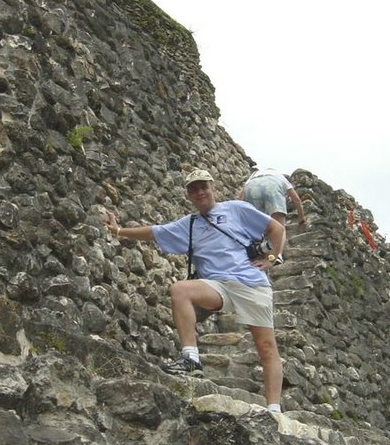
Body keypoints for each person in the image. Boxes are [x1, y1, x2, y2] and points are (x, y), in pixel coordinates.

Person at [103, 168, 286, 412]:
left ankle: (274, 410)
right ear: (188, 196)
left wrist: (273, 257)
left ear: (213, 189)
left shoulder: (236, 208)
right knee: (180, 290)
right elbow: (154, 232)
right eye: (194, 189)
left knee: (266, 347)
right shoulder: (188, 225)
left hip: (251, 282)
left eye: (203, 187)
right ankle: (191, 359)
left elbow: (277, 228)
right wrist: (118, 231)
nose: (200, 192)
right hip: (217, 286)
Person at [238, 167, 307, 228]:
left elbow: (241, 197)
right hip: (272, 186)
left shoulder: (254, 175)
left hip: (251, 187)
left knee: (255, 223)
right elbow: (296, 199)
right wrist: (301, 217)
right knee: (279, 228)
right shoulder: (279, 176)